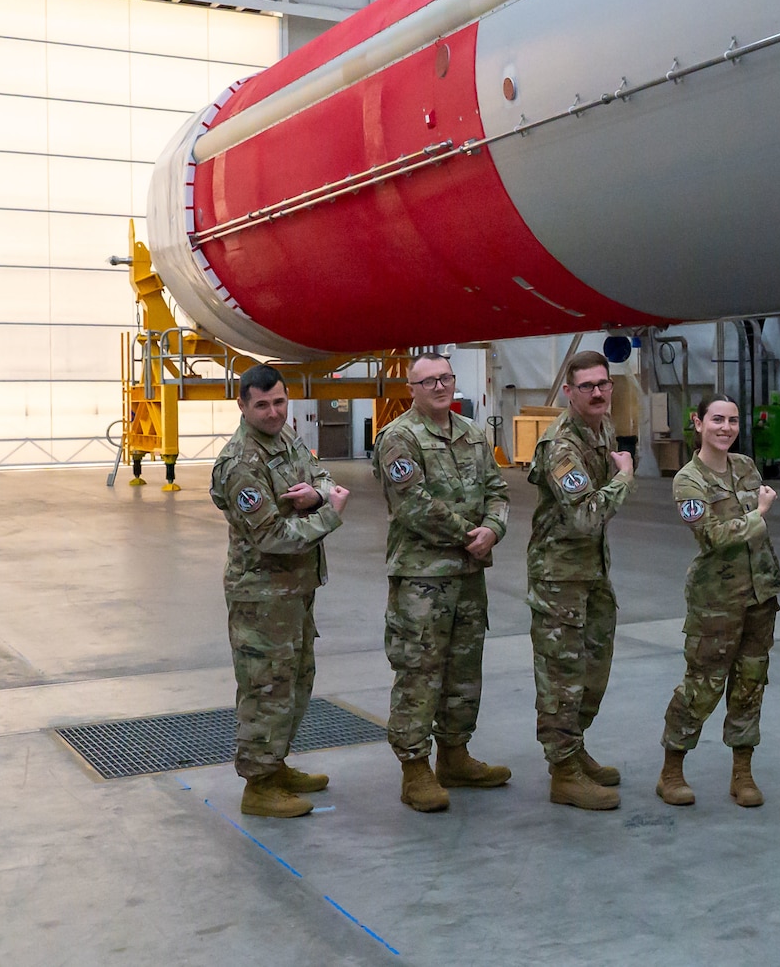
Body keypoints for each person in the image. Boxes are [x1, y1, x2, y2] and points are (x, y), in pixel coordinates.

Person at [210, 364, 351, 818]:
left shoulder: (285, 439)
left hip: (296, 589)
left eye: (280, 402)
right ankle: (259, 785)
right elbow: (272, 536)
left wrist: (317, 496)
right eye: (263, 405)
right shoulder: (239, 464)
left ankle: (276, 763)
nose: (274, 412)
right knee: (265, 687)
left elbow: (323, 477)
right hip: (262, 596)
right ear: (243, 405)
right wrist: (329, 513)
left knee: (296, 680)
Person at [374, 351, 512, 813]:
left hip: (469, 575)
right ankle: (415, 768)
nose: (439, 386)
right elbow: (413, 505)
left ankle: (455, 755)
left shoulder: (472, 433)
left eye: (446, 378)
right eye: (428, 381)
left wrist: (494, 527)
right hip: (422, 579)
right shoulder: (399, 438)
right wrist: (468, 534)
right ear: (411, 389)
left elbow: (498, 489)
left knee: (464, 670)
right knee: (419, 671)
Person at [656, 394, 780, 808]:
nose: (725, 428)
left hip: (760, 595)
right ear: (698, 423)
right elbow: (710, 536)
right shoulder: (688, 480)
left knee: (750, 685)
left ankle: (742, 773)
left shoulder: (745, 466)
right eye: (717, 420)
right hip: (716, 601)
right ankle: (671, 770)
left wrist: (751, 521)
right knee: (702, 686)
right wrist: (758, 513)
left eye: (732, 420)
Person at [526, 349, 635, 810]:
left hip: (591, 570)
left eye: (603, 384)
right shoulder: (562, 445)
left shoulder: (601, 428)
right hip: (559, 577)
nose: (597, 392)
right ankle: (563, 771)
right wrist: (625, 477)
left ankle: (575, 747)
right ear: (568, 392)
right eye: (586, 386)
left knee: (594, 666)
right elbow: (587, 515)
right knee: (562, 675)